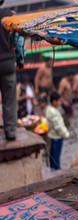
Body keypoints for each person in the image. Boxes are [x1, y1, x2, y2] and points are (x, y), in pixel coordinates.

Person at [0, 0, 25, 141]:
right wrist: (20, 59)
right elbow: (19, 41)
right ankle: (10, 132)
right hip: (8, 65)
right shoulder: (10, 17)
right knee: (9, 100)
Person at [43, 92, 70, 170]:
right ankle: (57, 172)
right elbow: (58, 126)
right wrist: (66, 134)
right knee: (56, 158)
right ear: (54, 101)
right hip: (57, 137)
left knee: (53, 156)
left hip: (52, 136)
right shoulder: (53, 112)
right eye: (59, 101)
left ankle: (53, 170)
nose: (60, 103)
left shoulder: (49, 109)